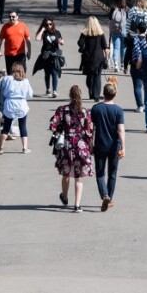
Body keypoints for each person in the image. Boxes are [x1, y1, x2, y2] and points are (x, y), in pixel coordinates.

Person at [49, 85, 94, 213]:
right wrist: (89, 146)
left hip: (67, 145)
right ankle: (77, 205)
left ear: (70, 95)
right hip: (80, 146)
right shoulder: (85, 112)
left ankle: (64, 195)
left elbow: (53, 124)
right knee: (78, 177)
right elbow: (89, 131)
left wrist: (59, 130)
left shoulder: (62, 110)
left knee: (66, 173)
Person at [90, 83, 125, 212]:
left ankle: (104, 195)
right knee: (113, 174)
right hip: (114, 146)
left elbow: (91, 129)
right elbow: (120, 130)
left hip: (100, 144)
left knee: (100, 173)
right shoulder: (118, 110)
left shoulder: (96, 108)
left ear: (103, 94)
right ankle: (109, 197)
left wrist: (90, 144)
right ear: (115, 94)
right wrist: (123, 147)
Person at [0, 62, 33, 154]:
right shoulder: (25, 81)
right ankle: (25, 148)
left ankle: (0, 148)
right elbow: (30, 94)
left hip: (10, 103)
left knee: (6, 126)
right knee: (23, 126)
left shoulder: (7, 79)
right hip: (21, 104)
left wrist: (2, 77)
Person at [78, 16, 109, 102]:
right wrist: (106, 57)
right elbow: (105, 46)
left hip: (88, 57)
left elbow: (80, 43)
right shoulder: (101, 33)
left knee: (89, 76)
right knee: (97, 76)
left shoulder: (84, 33)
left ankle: (91, 92)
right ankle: (96, 95)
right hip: (99, 57)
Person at [33, 17, 64, 97]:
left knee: (54, 72)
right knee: (47, 73)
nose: (49, 26)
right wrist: (42, 30)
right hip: (46, 55)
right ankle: (48, 89)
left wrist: (61, 42)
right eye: (47, 25)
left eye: (50, 24)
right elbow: (37, 38)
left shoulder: (57, 32)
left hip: (54, 55)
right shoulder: (44, 33)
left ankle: (55, 91)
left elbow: (62, 41)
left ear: (53, 24)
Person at [126, 22, 147, 111]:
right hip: (146, 66)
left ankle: (140, 106)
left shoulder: (132, 40)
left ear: (137, 30)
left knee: (137, 87)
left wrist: (125, 65)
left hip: (135, 65)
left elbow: (128, 53)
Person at [108, 0, 128, 72]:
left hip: (114, 31)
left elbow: (110, 21)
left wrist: (110, 30)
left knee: (116, 48)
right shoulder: (126, 9)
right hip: (124, 31)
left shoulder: (113, 9)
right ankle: (122, 64)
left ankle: (116, 64)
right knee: (123, 47)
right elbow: (128, 21)